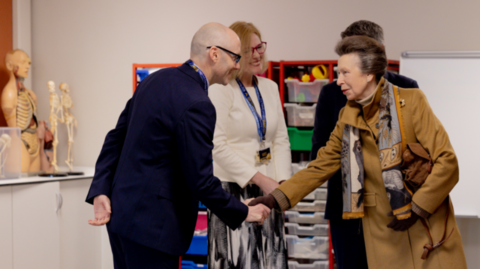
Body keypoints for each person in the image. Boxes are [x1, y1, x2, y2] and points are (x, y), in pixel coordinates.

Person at [250, 35, 467, 269]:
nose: (338, 81)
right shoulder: (348, 116)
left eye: (345, 73)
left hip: (426, 225)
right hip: (384, 233)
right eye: (337, 73)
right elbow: (320, 167)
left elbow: (447, 162)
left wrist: (417, 208)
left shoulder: (411, 101)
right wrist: (274, 199)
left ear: (368, 73)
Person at [85, 22, 271, 269]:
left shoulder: (156, 80)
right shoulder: (198, 103)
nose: (238, 65)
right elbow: (200, 181)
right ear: (214, 54)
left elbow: (114, 138)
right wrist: (243, 211)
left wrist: (101, 189)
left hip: (122, 219)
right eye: (235, 57)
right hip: (154, 229)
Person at [310, 20, 419, 269]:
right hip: (348, 209)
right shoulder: (332, 92)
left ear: (380, 50)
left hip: (394, 207)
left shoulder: (407, 88)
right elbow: (319, 153)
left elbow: (418, 151)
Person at [207, 21, 291, 269]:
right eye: (248, 50)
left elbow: (280, 140)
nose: (256, 55)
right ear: (234, 55)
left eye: (259, 47)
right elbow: (217, 146)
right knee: (240, 261)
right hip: (234, 190)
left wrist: (283, 184)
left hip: (270, 190)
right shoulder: (221, 89)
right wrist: (259, 179)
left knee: (271, 259)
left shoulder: (270, 87)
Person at [1, 49, 52, 173]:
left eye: (28, 63)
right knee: (20, 186)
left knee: (34, 185)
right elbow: (13, 131)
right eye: (23, 62)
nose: (28, 66)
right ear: (10, 65)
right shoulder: (9, 94)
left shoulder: (31, 94)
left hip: (34, 142)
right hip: (19, 143)